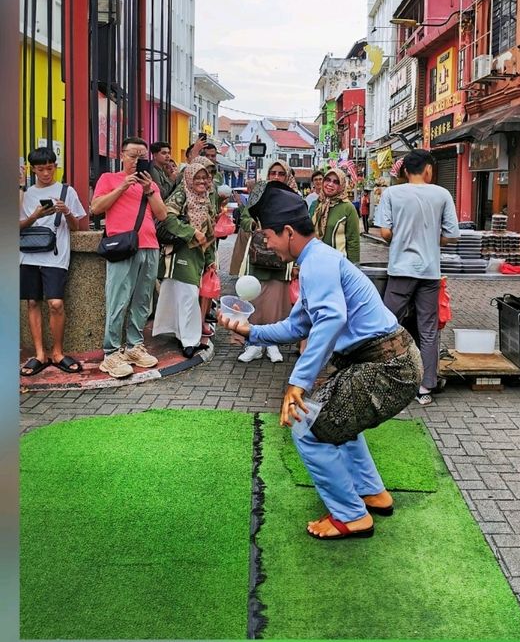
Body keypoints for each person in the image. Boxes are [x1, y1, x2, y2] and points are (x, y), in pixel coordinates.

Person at [217, 181, 423, 540]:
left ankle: (351, 515)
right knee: (337, 421)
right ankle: (372, 493)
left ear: (288, 231)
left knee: (307, 428)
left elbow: (331, 319)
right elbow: (298, 324)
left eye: (268, 236)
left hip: (388, 367)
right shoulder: (316, 259)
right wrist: (251, 332)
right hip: (390, 363)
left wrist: (297, 382)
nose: (266, 243)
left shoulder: (317, 263)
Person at [374, 149, 460, 406]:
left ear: (405, 171)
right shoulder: (442, 194)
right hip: (429, 271)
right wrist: (433, 240)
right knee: (428, 328)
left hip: (400, 270)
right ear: (427, 169)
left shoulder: (392, 193)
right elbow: (452, 235)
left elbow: (385, 233)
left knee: (387, 324)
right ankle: (425, 385)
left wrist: (401, 238)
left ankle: (384, 379)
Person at [90, 137, 168, 378]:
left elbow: (162, 214)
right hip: (123, 246)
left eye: (141, 156)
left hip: (150, 246)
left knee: (142, 301)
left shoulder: (150, 183)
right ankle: (111, 353)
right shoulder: (109, 179)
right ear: (121, 155)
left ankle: (134, 346)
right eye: (133, 155)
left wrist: (147, 190)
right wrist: (123, 186)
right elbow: (96, 207)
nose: (136, 160)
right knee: (118, 300)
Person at [19, 147, 86, 376]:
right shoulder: (27, 194)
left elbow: (77, 227)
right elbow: (17, 226)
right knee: (32, 302)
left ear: (56, 166)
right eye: (40, 169)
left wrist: (66, 211)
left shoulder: (67, 191)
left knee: (55, 303)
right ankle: (39, 354)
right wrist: (35, 216)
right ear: (33, 170)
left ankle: (57, 353)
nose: (46, 173)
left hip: (56, 255)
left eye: (50, 168)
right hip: (28, 254)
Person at [235, 159, 299, 363]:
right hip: (257, 253)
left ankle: (271, 344)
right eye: (273, 173)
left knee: (274, 303)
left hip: (281, 256)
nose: (277, 177)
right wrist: (254, 224)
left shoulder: (293, 197)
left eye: (281, 174)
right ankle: (253, 345)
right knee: (254, 300)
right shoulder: (258, 193)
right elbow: (244, 217)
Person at [152, 162, 216, 357]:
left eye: (205, 177)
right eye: (197, 177)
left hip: (197, 254)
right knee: (188, 294)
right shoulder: (181, 195)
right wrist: (191, 232)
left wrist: (210, 258)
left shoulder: (205, 199)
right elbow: (166, 218)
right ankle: (190, 341)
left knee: (181, 294)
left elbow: (209, 230)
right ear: (188, 177)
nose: (202, 181)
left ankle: (183, 335)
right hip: (180, 251)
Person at [312, 167, 360, 265]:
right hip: (316, 261)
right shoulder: (317, 204)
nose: (330, 184)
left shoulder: (348, 207)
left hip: (337, 265)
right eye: (328, 180)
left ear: (341, 186)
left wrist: (354, 267)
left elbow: (353, 241)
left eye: (336, 182)